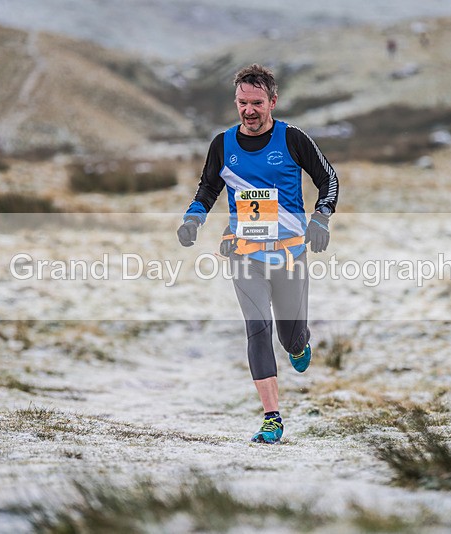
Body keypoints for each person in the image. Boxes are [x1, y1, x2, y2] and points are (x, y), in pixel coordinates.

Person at [176, 64, 339, 444]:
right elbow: (207, 189)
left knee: (291, 339)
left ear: (272, 102)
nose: (249, 110)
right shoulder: (222, 144)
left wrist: (321, 218)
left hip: (290, 255)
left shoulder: (292, 139)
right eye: (242, 102)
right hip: (244, 253)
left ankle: (300, 342)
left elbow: (328, 179)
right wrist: (192, 221)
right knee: (256, 327)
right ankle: (272, 417)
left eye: (257, 103)